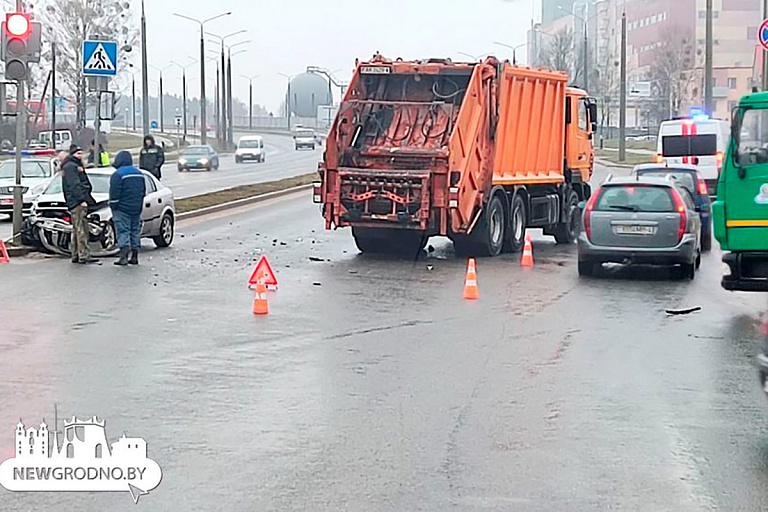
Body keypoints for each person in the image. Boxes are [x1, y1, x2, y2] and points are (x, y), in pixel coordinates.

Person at [109, 151, 146, 266]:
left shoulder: (118, 175)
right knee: (134, 231)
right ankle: (135, 255)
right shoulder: (139, 174)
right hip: (136, 207)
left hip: (122, 209)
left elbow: (114, 193)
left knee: (123, 231)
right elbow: (143, 191)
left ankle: (123, 256)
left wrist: (113, 205)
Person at [62, 145, 97, 264]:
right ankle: (83, 255)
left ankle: (76, 254)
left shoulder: (71, 166)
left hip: (74, 202)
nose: (80, 156)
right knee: (81, 229)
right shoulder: (72, 167)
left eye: (81, 153)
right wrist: (81, 199)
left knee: (77, 229)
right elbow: (75, 185)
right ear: (72, 155)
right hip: (77, 202)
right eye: (78, 154)